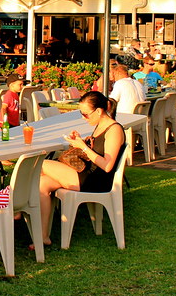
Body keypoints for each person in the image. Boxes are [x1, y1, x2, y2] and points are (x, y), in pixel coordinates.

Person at [37, 91, 125, 246]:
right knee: (42, 184)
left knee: (41, 164)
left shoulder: (114, 129)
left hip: (96, 179)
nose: (84, 117)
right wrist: (83, 142)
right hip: (86, 173)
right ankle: (43, 236)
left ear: (98, 111)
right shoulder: (99, 125)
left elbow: (107, 165)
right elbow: (97, 150)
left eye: (86, 114)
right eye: (81, 113)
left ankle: (14, 207)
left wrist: (83, 147)